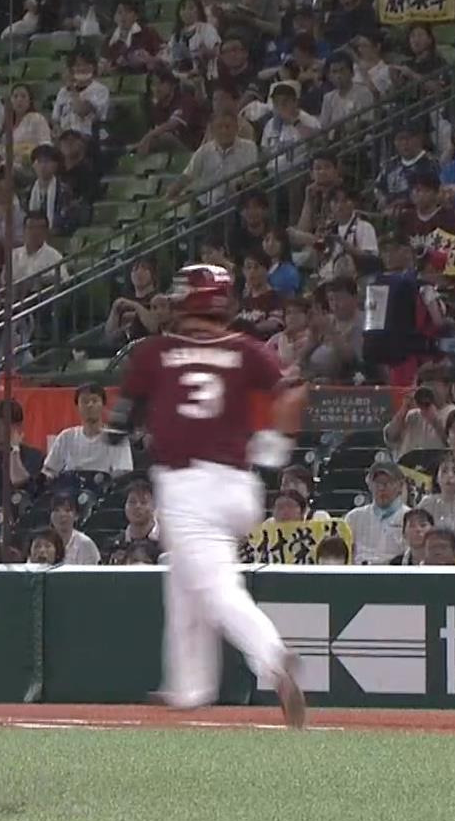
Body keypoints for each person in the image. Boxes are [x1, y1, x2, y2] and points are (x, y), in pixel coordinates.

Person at [108, 263, 307, 728]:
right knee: (184, 577)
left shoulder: (157, 351)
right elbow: (294, 392)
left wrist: (127, 423)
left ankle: (272, 657)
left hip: (187, 486)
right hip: (238, 486)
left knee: (216, 587)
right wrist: (277, 444)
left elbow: (119, 420)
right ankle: (188, 687)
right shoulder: (245, 348)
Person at [344, 458, 409, 565]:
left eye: (387, 483)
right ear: (369, 485)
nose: (381, 488)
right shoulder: (353, 517)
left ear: (400, 486)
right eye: (377, 483)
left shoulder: (409, 518)